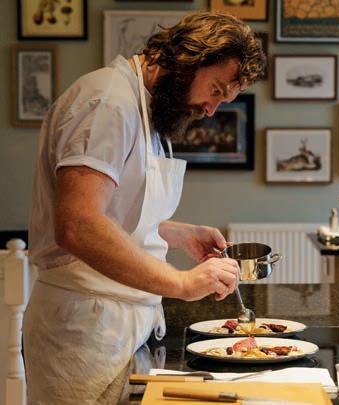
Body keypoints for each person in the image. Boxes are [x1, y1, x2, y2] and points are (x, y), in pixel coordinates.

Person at [23, 11, 266, 404]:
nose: (210, 110)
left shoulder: (145, 107)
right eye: (215, 90)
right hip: (84, 330)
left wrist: (177, 233)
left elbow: (114, 212)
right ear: (188, 59)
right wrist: (182, 284)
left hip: (116, 325)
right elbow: (78, 224)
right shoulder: (108, 102)